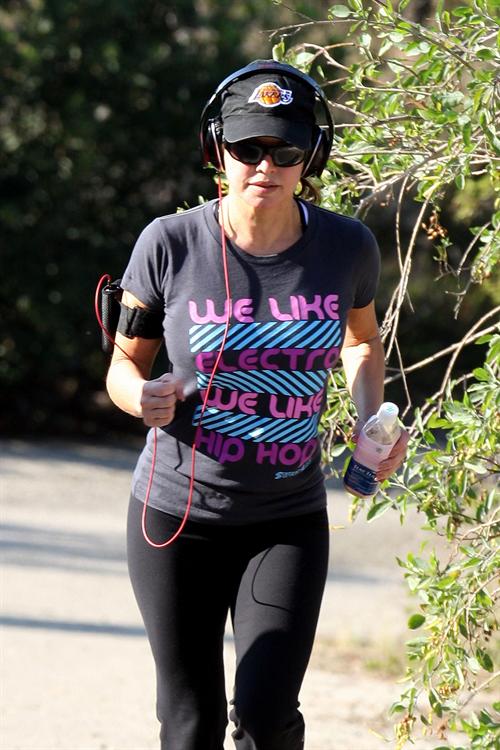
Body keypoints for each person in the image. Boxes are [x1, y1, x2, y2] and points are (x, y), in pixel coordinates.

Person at [105, 59, 409, 750]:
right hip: (175, 518)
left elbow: (362, 342)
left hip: (285, 518)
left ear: (312, 157)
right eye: (247, 148)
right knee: (190, 722)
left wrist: (372, 421)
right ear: (217, 150)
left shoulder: (346, 247)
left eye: (285, 150)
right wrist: (141, 398)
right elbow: (124, 365)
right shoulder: (168, 244)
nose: (264, 166)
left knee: (267, 716)